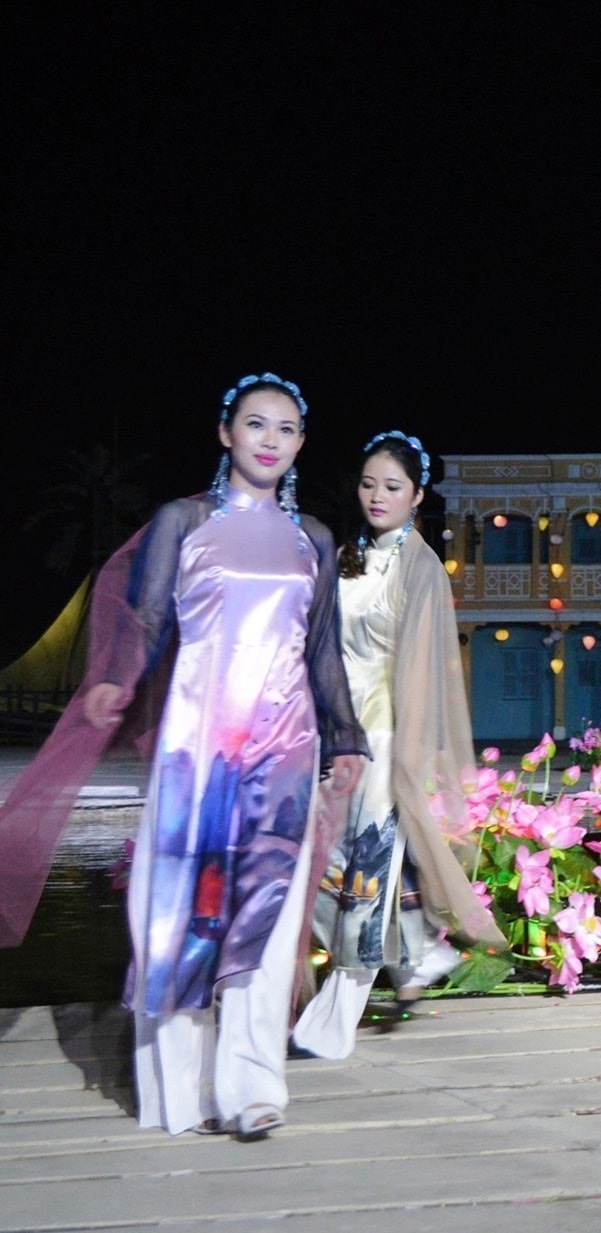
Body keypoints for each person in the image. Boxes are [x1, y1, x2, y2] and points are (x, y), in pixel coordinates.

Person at [0, 374, 367, 1139]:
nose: (271, 438)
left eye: (288, 428)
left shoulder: (316, 541)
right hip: (198, 749)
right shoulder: (184, 521)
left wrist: (347, 737)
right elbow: (146, 619)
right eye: (256, 423)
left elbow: (322, 649)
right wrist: (114, 680)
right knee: (182, 909)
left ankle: (252, 1089)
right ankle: (179, 1091)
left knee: (266, 910)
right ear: (225, 432)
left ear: (300, 445)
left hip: (287, 748)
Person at [291, 432, 502, 1059]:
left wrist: (405, 761)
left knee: (362, 879)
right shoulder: (351, 555)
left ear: (417, 496)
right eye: (367, 484)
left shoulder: (422, 568)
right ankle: (418, 950)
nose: (377, 496)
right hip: (335, 738)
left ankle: (331, 1025)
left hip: (383, 743)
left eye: (392, 487)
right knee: (315, 873)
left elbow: (423, 674)